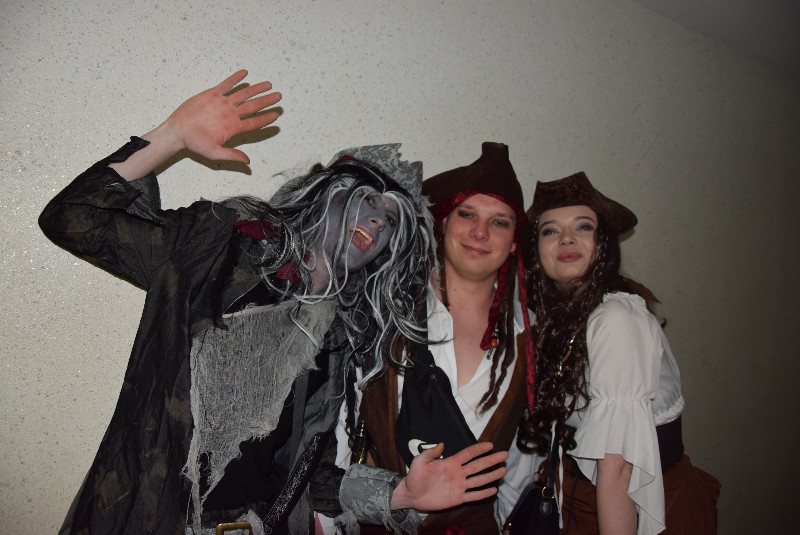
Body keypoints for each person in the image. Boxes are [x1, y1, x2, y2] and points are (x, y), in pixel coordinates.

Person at [39, 71, 508, 535]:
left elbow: (302, 476)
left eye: (390, 219)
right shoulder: (219, 249)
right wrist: (170, 136)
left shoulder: (337, 332)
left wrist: (399, 494)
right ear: (325, 194)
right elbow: (73, 218)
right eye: (367, 199)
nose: (378, 221)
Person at [517, 172, 720, 534]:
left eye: (583, 227)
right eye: (550, 230)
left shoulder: (616, 318)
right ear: (537, 251)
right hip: (583, 499)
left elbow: (620, 468)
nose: (566, 238)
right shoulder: (561, 319)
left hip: (638, 508)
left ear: (604, 244)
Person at [350, 142, 535, 534]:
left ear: (515, 242)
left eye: (500, 222)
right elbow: (338, 437)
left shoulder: (528, 338)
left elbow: (522, 462)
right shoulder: (385, 312)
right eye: (467, 214)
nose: (480, 232)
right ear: (444, 222)